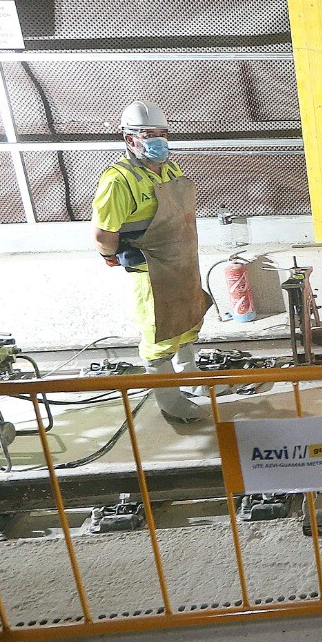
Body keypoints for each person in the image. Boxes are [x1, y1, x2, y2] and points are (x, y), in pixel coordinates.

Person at [92, 101, 214, 424]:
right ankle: (171, 402)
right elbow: (104, 233)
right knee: (159, 336)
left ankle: (192, 379)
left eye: (162, 133)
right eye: (148, 134)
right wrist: (109, 256)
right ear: (130, 139)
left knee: (188, 322)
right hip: (150, 273)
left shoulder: (171, 169)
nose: (158, 140)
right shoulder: (118, 181)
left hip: (183, 265)